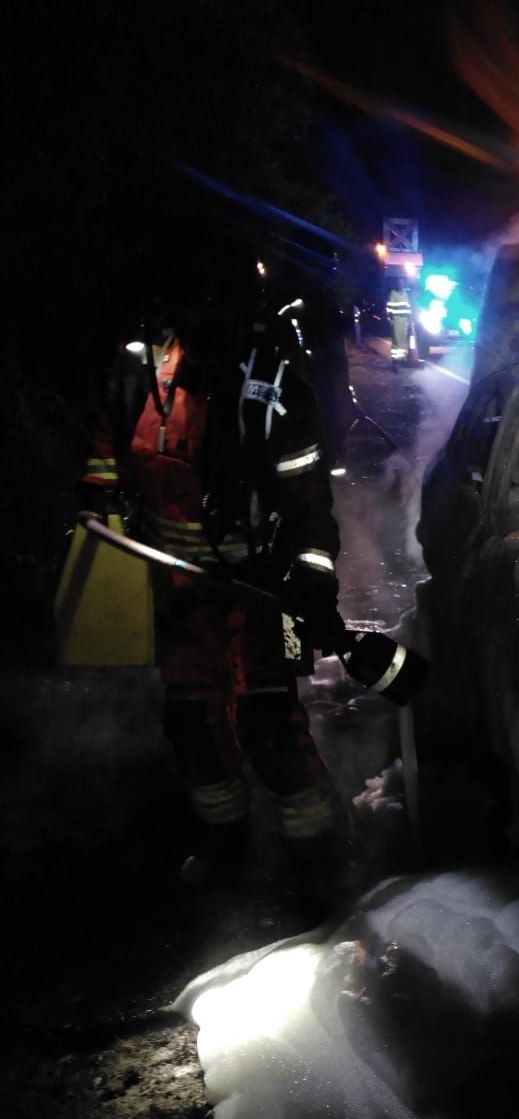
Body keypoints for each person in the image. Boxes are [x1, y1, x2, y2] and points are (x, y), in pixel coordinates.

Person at [78, 255, 356, 911]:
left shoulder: (275, 379)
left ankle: (322, 857)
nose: (205, 326)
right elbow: (105, 445)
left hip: (268, 591)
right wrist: (92, 491)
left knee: (269, 725)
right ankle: (227, 845)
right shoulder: (139, 369)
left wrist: (311, 580)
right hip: (180, 596)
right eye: (193, 311)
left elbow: (308, 497)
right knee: (192, 725)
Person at [385, 280, 416, 367]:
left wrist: (410, 318)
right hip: (397, 319)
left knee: (402, 340)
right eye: (399, 283)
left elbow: (408, 307)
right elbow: (389, 308)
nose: (401, 285)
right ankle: (396, 360)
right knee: (397, 340)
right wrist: (391, 319)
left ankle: (401, 358)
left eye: (402, 283)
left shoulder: (405, 293)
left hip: (404, 320)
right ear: (397, 284)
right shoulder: (393, 293)